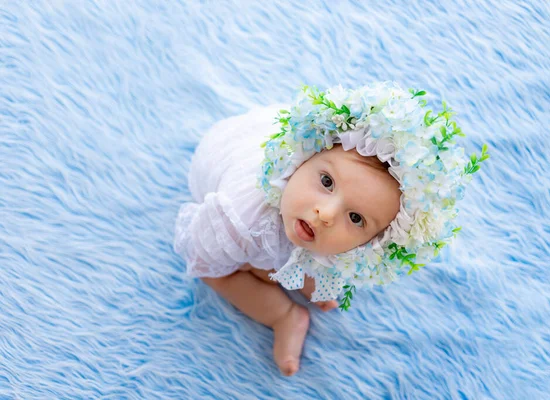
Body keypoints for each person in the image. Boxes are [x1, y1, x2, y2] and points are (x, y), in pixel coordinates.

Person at [173, 82, 486, 376]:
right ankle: (284, 316)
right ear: (302, 158)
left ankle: (299, 266)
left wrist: (312, 272)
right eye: (326, 182)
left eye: (356, 218)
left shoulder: (337, 229)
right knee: (222, 270)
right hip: (231, 145)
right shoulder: (239, 218)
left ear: (377, 241)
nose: (326, 214)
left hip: (295, 191)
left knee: (319, 245)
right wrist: (249, 265)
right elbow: (201, 258)